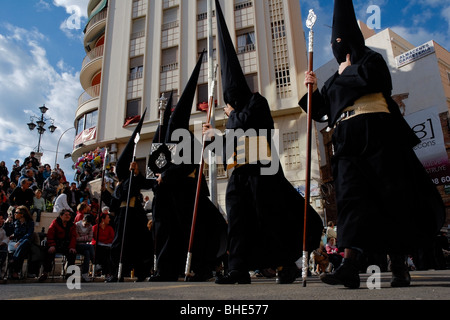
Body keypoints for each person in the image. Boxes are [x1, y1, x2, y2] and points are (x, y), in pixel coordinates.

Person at [300, 0, 446, 288]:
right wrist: (312, 89)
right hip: (344, 138)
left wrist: (347, 71)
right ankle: (351, 264)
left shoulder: (371, 59)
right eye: (336, 42)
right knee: (352, 199)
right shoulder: (332, 80)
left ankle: (399, 264)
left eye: (344, 40)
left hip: (378, 132)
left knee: (391, 196)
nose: (340, 46)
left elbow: (378, 83)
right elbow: (319, 111)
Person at [201, 0, 323, 285]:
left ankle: (286, 265)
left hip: (262, 173)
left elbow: (250, 129)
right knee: (239, 223)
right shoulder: (233, 117)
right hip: (238, 174)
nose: (228, 104)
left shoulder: (257, 102)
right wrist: (210, 139)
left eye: (231, 100)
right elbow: (224, 150)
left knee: (270, 221)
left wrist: (231, 118)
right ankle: (238, 270)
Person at [149, 55, 228, 282]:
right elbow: (156, 166)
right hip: (169, 198)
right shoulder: (167, 142)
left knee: (194, 234)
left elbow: (188, 165)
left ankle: (201, 269)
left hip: (189, 197)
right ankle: (166, 270)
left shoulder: (190, 142)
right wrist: (158, 175)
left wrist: (166, 175)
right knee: (167, 233)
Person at [39, 209, 77, 282]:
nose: (68, 216)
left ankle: (69, 273)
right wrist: (52, 245)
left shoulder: (72, 225)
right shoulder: (55, 223)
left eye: (69, 215)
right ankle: (45, 272)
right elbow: (50, 235)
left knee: (72, 253)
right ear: (61, 216)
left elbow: (73, 237)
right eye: (66, 215)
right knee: (49, 253)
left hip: (66, 244)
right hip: (55, 243)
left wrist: (72, 247)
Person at [7, 206, 35, 279]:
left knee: (24, 243)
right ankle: (15, 271)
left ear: (22, 214)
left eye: (16, 213)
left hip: (24, 243)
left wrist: (20, 242)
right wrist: (7, 223)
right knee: (21, 251)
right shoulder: (15, 223)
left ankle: (14, 264)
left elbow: (29, 234)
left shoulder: (30, 223)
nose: (14, 214)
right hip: (14, 243)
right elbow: (7, 232)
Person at [92, 212, 115, 278]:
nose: (109, 219)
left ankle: (108, 272)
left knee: (108, 252)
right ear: (103, 219)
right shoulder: (95, 227)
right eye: (108, 218)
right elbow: (94, 238)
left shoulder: (110, 228)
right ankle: (102, 269)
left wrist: (104, 241)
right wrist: (104, 240)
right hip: (98, 245)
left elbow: (112, 238)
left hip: (107, 245)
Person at [75, 214, 95, 282]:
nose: (87, 226)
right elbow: (76, 239)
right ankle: (95, 263)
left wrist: (82, 238)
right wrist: (85, 238)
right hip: (77, 245)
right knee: (90, 246)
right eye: (86, 224)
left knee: (87, 253)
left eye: (88, 224)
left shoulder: (90, 226)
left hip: (85, 246)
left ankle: (84, 273)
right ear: (83, 220)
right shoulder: (77, 225)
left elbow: (90, 239)